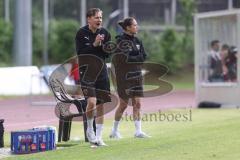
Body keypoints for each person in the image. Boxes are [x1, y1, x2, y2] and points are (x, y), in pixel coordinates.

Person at [75, 8, 111, 146]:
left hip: (101, 72)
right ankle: (90, 129)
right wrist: (94, 44)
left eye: (101, 17)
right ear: (88, 19)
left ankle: (99, 137)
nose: (99, 20)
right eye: (96, 17)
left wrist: (104, 47)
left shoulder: (105, 33)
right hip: (87, 72)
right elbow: (81, 53)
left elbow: (107, 53)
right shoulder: (81, 33)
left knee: (101, 105)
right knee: (91, 102)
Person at [109, 17, 150, 139]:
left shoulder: (137, 40)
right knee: (123, 104)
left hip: (137, 75)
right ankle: (114, 131)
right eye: (135, 25)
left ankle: (138, 131)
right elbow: (123, 59)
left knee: (137, 104)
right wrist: (136, 57)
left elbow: (143, 57)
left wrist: (134, 58)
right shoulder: (120, 41)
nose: (137, 27)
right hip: (124, 77)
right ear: (127, 27)